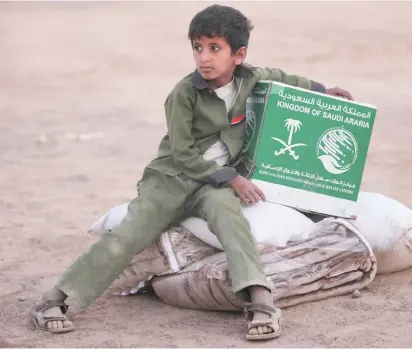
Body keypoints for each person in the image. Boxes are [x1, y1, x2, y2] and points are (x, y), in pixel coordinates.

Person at [30, 4, 352, 341]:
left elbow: (282, 78)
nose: (204, 57)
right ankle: (56, 300)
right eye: (197, 47)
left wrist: (321, 89)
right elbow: (183, 155)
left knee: (231, 221)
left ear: (238, 55)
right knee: (128, 236)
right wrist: (233, 178)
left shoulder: (250, 79)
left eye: (215, 48)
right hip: (171, 179)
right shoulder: (183, 94)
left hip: (211, 185)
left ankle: (261, 302)